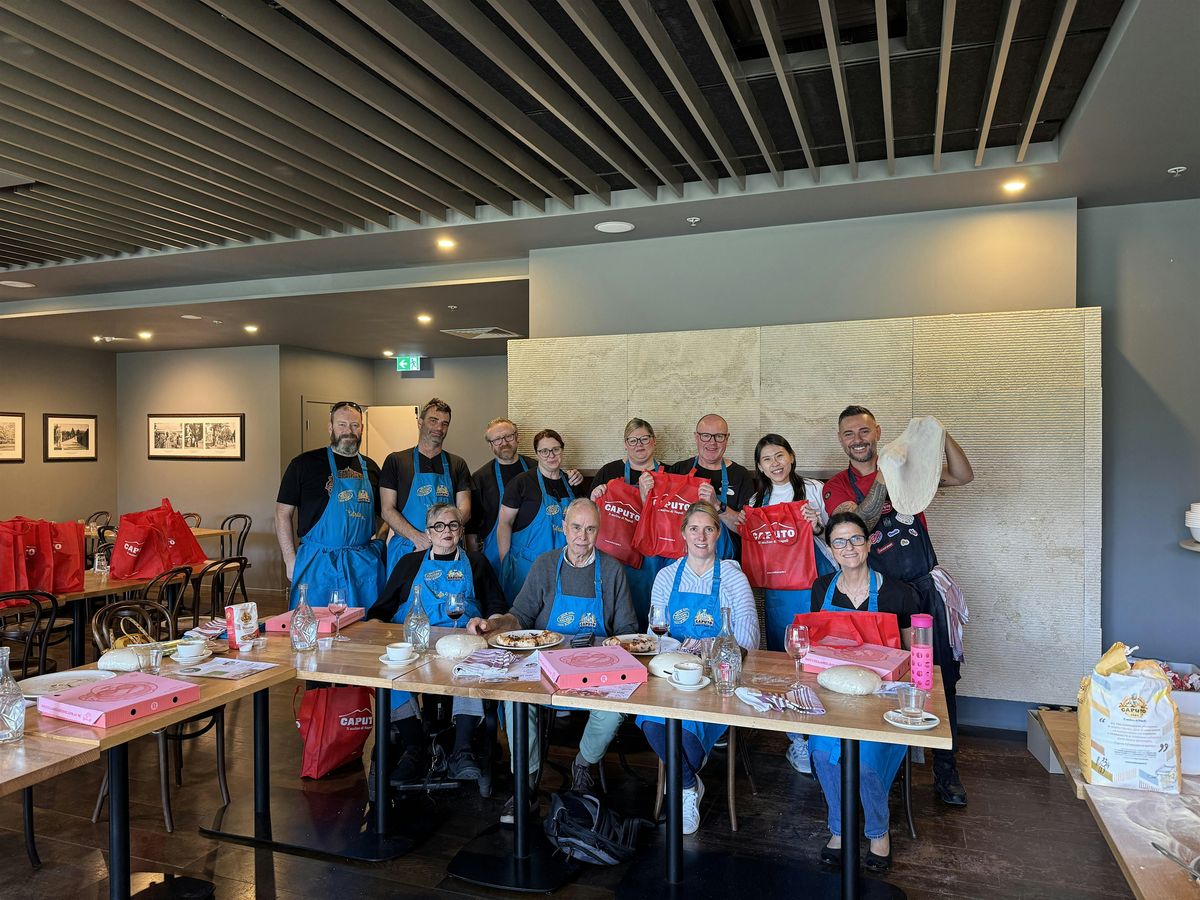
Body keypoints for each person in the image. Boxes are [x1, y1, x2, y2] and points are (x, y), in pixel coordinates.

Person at [822, 405, 974, 807]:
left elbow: (963, 475)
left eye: (864, 431)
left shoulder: (910, 467)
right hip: (880, 597)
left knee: (938, 680)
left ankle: (946, 770)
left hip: (925, 591)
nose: (857, 440)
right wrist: (886, 475)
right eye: (849, 433)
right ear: (841, 440)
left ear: (878, 432)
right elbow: (858, 523)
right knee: (885, 680)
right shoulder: (836, 486)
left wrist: (937, 435)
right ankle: (888, 766)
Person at [467, 499, 636, 824]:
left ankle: (583, 764)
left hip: (596, 667)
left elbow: (627, 628)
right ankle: (527, 783)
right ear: (564, 528)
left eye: (590, 529)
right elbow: (519, 615)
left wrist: (614, 646)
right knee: (517, 700)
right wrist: (493, 624)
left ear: (599, 531)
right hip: (545, 665)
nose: (583, 537)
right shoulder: (546, 564)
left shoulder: (612, 570)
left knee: (616, 707)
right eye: (576, 528)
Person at [807, 512, 922, 873]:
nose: (849, 547)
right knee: (821, 753)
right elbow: (814, 649)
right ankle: (840, 828)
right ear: (831, 548)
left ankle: (877, 831)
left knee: (866, 761)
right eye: (839, 541)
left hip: (882, 701)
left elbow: (915, 656)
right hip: (833, 698)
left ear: (869, 543)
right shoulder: (821, 589)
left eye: (856, 538)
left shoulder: (898, 592)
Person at [636, 501, 758, 835]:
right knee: (650, 720)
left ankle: (680, 782)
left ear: (718, 534)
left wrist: (706, 648)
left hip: (717, 679)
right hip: (670, 677)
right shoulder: (666, 577)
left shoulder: (733, 578)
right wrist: (681, 650)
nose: (701, 536)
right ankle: (688, 785)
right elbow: (654, 635)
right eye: (694, 529)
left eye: (708, 529)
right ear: (683, 533)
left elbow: (748, 638)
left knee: (687, 730)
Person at [367, 504, 506, 791]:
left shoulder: (477, 563)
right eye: (439, 526)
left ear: (461, 531)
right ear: (428, 533)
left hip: (462, 645)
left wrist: (488, 623)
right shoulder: (409, 563)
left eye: (453, 525)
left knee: (471, 667)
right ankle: (415, 747)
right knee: (389, 673)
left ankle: (462, 750)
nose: (447, 531)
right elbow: (381, 609)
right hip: (416, 645)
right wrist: (376, 634)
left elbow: (496, 607)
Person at [747, 433, 838, 776]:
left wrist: (818, 525)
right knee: (786, 659)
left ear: (792, 457)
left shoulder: (814, 489)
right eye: (767, 459)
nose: (775, 463)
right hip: (780, 590)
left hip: (818, 579)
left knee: (821, 653)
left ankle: (826, 734)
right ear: (760, 467)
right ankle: (797, 739)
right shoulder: (757, 501)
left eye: (780, 455)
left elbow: (836, 533)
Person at [275, 400, 385, 609]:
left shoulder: (371, 468)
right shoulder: (303, 464)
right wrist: (290, 560)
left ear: (362, 428)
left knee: (365, 624)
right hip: (316, 563)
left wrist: (378, 545)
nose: (348, 431)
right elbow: (282, 513)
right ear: (330, 427)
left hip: (362, 565)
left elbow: (386, 513)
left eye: (354, 425)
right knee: (312, 620)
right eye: (342, 424)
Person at [379, 398, 472, 575]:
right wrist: (418, 538)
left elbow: (465, 509)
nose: (439, 428)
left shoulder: (457, 464)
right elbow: (387, 510)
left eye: (445, 423)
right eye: (433, 420)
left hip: (446, 550)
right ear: (420, 423)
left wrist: (442, 537)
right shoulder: (396, 461)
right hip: (407, 548)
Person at [589, 417, 665, 630]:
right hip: (615, 556)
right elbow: (589, 514)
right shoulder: (608, 472)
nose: (639, 445)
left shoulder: (669, 474)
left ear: (654, 441)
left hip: (654, 558)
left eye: (644, 439)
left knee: (651, 609)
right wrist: (594, 497)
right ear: (625, 444)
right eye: (633, 440)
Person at [495, 428, 584, 600]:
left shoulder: (572, 483)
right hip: (526, 568)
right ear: (537, 454)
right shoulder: (521, 483)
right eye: (544, 451)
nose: (551, 455)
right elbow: (504, 523)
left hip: (564, 566)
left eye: (555, 449)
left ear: (562, 450)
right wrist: (506, 563)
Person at [667, 413, 755, 560]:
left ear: (727, 438)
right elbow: (664, 518)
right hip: (679, 557)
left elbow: (747, 529)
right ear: (696, 437)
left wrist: (717, 506)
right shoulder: (679, 470)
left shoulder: (740, 475)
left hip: (725, 560)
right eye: (705, 436)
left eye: (719, 436)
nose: (712, 442)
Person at [465, 417, 535, 574]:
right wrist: (476, 563)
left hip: (532, 553)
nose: (504, 443)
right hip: (494, 557)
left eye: (508, 436)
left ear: (517, 437)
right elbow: (472, 527)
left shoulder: (536, 470)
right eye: (497, 439)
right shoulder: (480, 478)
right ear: (490, 445)